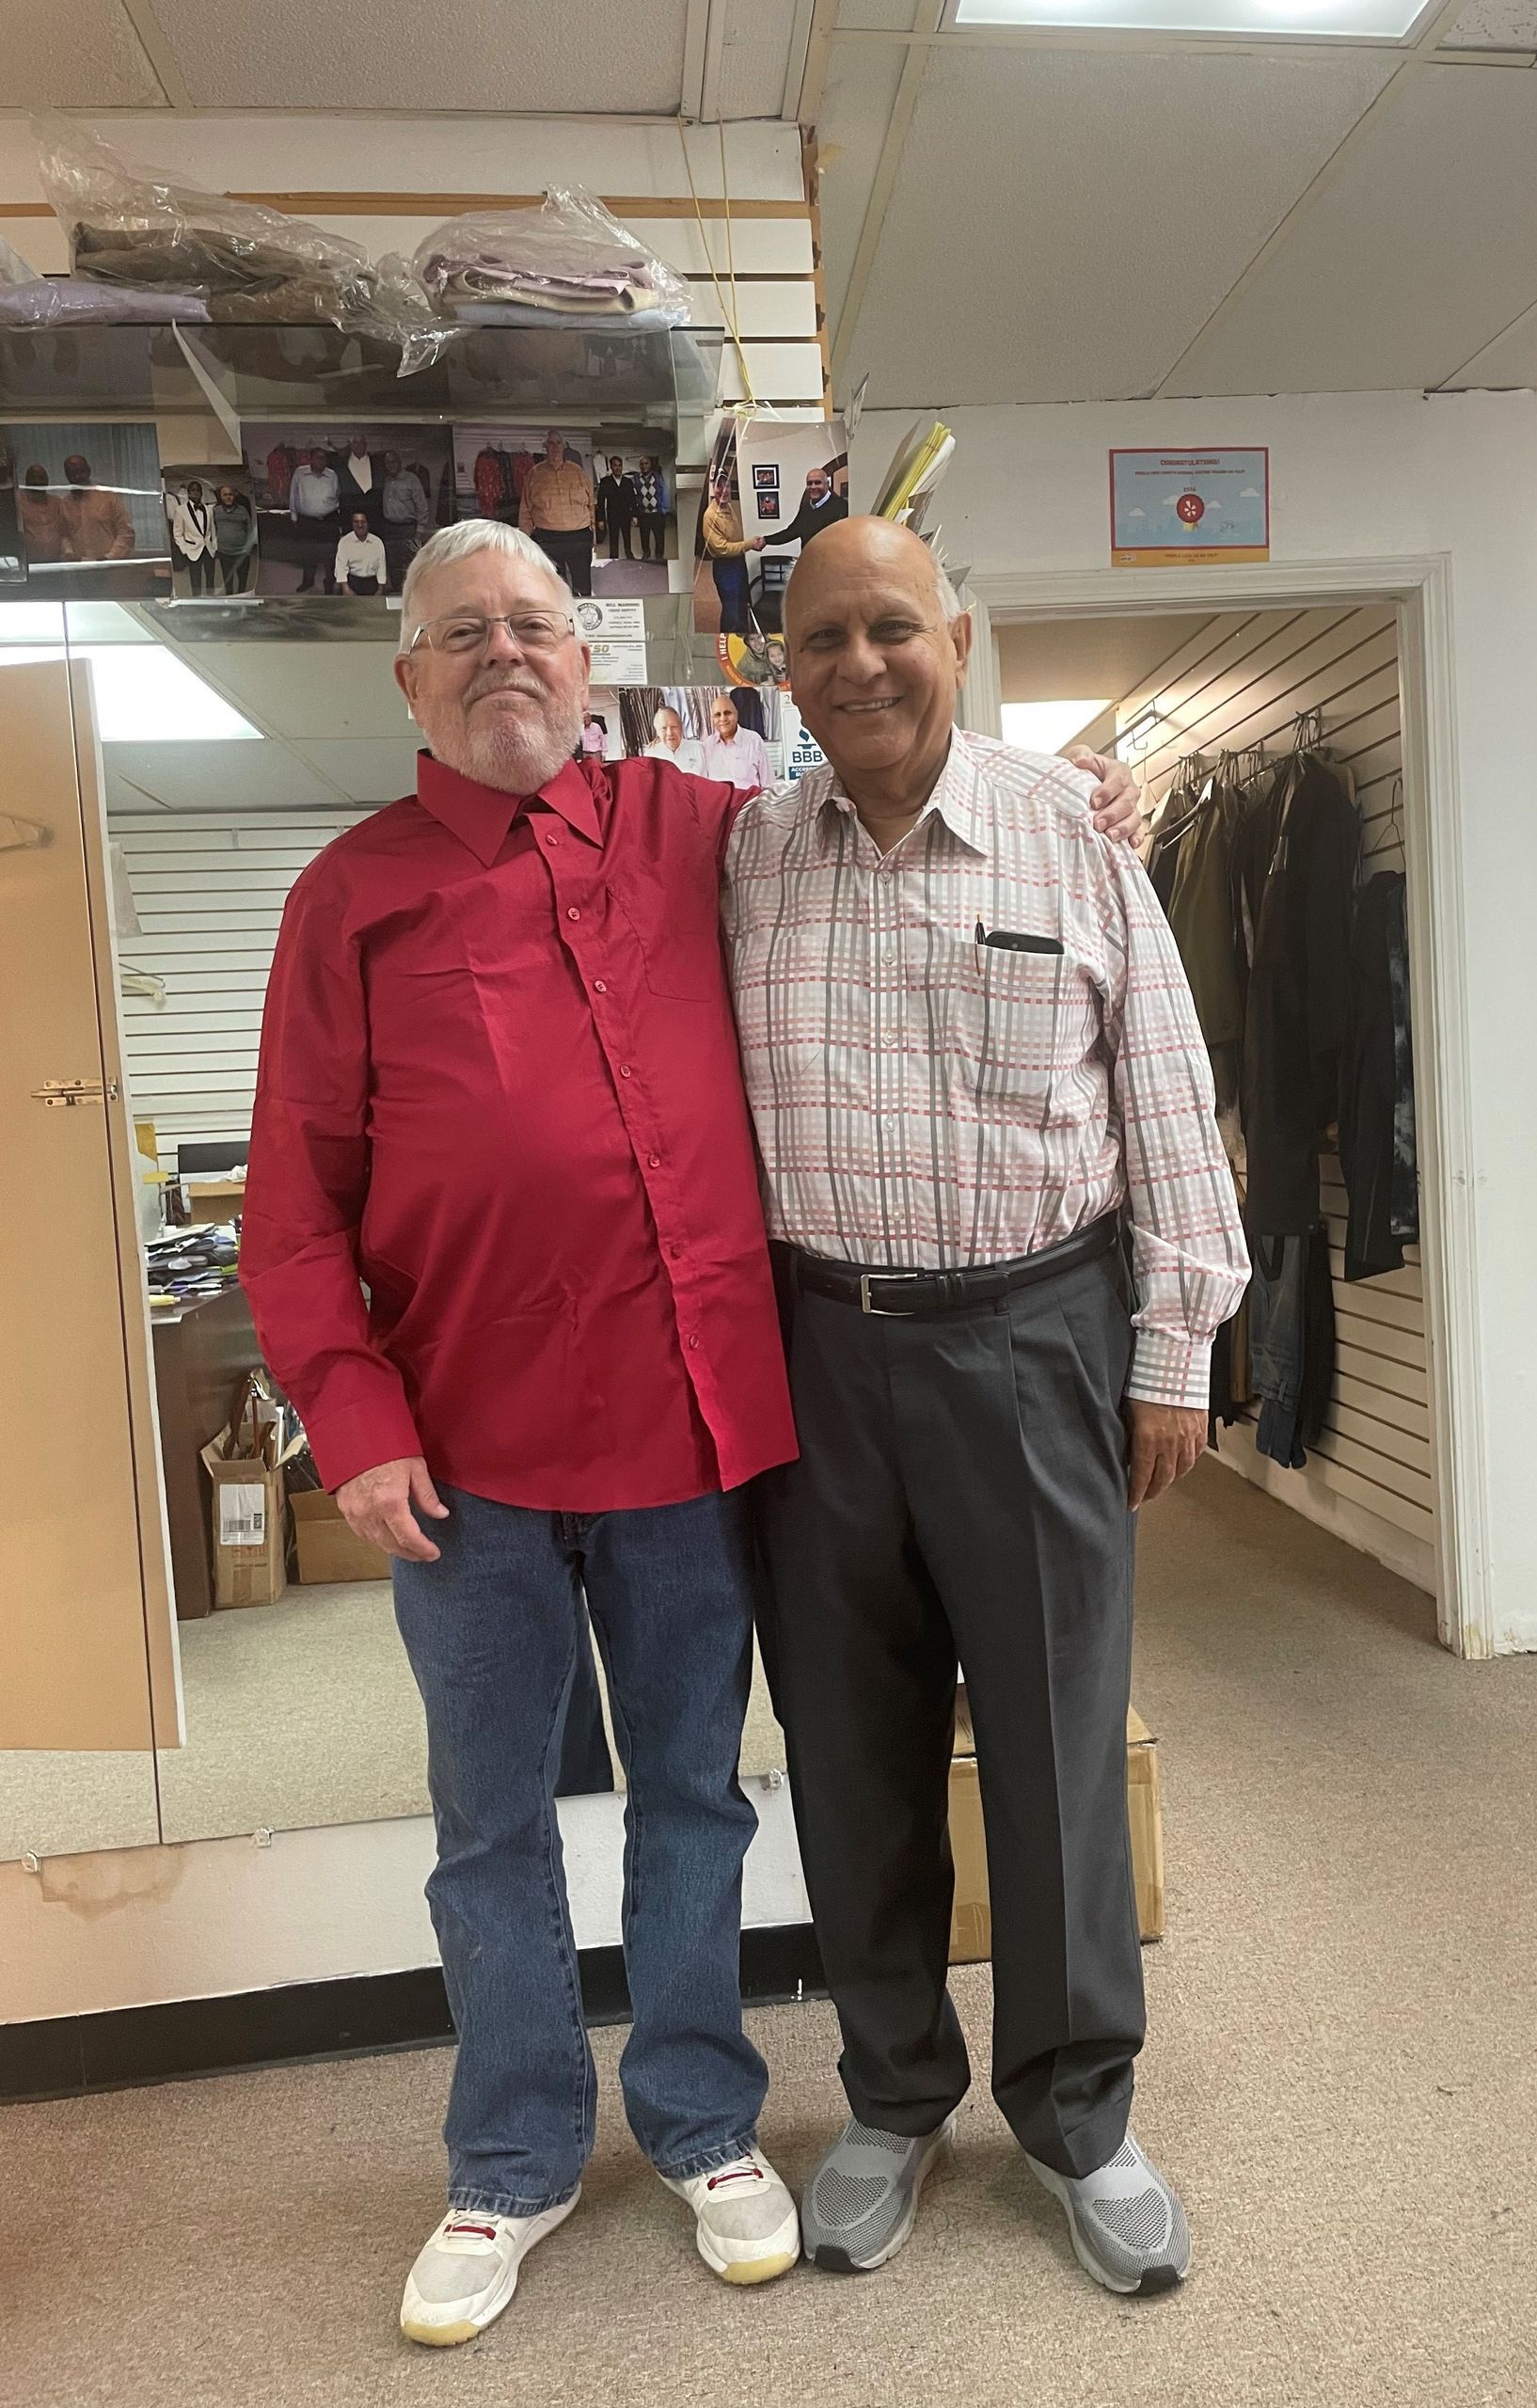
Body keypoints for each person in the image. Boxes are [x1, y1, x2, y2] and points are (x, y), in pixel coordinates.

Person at [239, 517, 1140, 2347]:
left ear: (591, 659)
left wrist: (1063, 791)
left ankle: (708, 2120)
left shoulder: (700, 829)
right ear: (407, 677)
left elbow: (889, 793)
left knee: (696, 1801)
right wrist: (349, 1415)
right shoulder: (350, 896)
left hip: (689, 1433)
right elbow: (293, 1203)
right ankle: (509, 2157)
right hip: (461, 1462)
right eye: (463, 632)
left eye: (538, 626)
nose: (508, 654)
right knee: (490, 1823)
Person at [726, 516, 1249, 2300]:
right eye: (821, 640)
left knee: (1050, 1751)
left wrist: (1174, 1349)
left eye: (892, 629)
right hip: (816, 1359)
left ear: (959, 632)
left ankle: (1083, 2111)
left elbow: (1170, 1099)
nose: (859, 665)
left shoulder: (1073, 836)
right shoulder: (741, 858)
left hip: (1035, 1340)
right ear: (778, 666)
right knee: (855, 1756)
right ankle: (890, 2100)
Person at [515, 432, 596, 597]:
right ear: (545, 447)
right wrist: (525, 540)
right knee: (552, 586)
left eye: (558, 443)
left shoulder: (577, 472)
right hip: (547, 538)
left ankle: (583, 619)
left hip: (578, 536)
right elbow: (525, 509)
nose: (554, 447)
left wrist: (593, 533)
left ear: (564, 446)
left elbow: (591, 505)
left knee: (582, 585)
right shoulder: (534, 474)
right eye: (550, 444)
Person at [701, 476, 761, 637]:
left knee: (742, 606)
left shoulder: (729, 507)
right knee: (731, 612)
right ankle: (727, 645)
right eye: (719, 487)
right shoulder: (710, 516)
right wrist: (749, 544)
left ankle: (743, 644)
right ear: (714, 490)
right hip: (725, 567)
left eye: (727, 486)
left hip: (738, 562)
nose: (724, 490)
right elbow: (722, 549)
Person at [59, 455, 135, 562]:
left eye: (80, 471)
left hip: (110, 568)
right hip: (78, 569)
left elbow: (126, 532)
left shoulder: (108, 497)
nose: (77, 476)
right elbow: (63, 535)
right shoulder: (64, 504)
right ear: (66, 475)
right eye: (71, 473)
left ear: (88, 470)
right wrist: (69, 553)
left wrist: (110, 557)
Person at [290, 445, 341, 594]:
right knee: (309, 553)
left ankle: (329, 583)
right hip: (307, 521)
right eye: (318, 457)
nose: (321, 460)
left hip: (329, 520)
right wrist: (294, 517)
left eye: (324, 458)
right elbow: (293, 495)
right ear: (311, 458)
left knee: (330, 555)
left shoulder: (332, 475)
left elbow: (337, 495)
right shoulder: (300, 473)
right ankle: (308, 581)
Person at [764, 463, 848, 553]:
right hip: (808, 563)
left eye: (818, 483)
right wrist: (765, 540)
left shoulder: (841, 506)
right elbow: (791, 532)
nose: (813, 487)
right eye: (809, 483)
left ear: (827, 484)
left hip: (831, 563)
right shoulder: (806, 508)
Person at [378, 449, 431, 590]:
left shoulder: (411, 479)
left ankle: (410, 595)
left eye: (393, 461)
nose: (391, 465)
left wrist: (419, 532)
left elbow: (422, 506)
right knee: (393, 563)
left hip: (408, 528)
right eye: (387, 463)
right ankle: (396, 591)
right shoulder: (386, 481)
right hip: (390, 528)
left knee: (410, 564)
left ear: (400, 462)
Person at [701, 691, 767, 789]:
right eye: (717, 715)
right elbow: (704, 786)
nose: (723, 718)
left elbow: (768, 783)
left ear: (736, 715)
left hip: (750, 804)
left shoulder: (754, 741)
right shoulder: (707, 746)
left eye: (727, 713)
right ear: (712, 720)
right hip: (720, 804)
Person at [166, 479, 216, 594]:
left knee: (211, 579)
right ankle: (197, 603)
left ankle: (212, 601)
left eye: (198, 490)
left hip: (208, 549)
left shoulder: (208, 510)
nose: (196, 493)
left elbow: (213, 530)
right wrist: (185, 550)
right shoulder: (180, 510)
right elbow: (177, 533)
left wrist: (214, 546)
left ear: (202, 493)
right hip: (192, 550)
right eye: (193, 490)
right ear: (188, 493)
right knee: (195, 580)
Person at [212, 480, 257, 594]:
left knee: (242, 583)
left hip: (242, 554)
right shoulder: (215, 511)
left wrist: (247, 550)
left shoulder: (243, 510)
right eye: (225, 495)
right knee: (228, 583)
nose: (228, 497)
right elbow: (212, 530)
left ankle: (242, 605)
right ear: (221, 497)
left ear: (234, 495)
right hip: (224, 553)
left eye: (230, 494)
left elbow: (251, 530)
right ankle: (231, 606)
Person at [642, 701, 705, 775]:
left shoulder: (698, 749)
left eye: (674, 727)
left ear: (681, 727)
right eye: (664, 728)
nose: (670, 733)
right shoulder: (650, 755)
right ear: (657, 732)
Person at [18, 463, 65, 562]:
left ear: (47, 480)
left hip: (57, 562)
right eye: (33, 478)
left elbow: (65, 531)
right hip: (29, 563)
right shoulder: (17, 502)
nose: (38, 482)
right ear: (27, 481)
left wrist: (68, 553)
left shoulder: (57, 502)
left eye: (41, 478)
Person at [334, 510, 388, 595]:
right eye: (356, 522)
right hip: (353, 582)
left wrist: (380, 589)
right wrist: (346, 589)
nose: (360, 525)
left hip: (372, 583)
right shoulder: (345, 542)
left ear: (368, 523)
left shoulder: (377, 542)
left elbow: (381, 567)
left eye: (363, 522)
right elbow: (341, 568)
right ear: (352, 524)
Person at [596, 454, 637, 562]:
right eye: (615, 465)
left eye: (620, 465)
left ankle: (629, 554)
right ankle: (613, 557)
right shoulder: (605, 482)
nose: (618, 468)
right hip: (612, 515)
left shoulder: (628, 482)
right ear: (611, 467)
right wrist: (600, 519)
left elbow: (632, 500)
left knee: (627, 537)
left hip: (626, 515)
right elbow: (600, 502)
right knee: (613, 538)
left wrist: (634, 516)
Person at [335, 432, 381, 518]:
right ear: (351, 445)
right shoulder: (340, 464)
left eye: (361, 442)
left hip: (373, 512)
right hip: (349, 512)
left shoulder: (378, 463)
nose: (358, 445)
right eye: (355, 442)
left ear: (366, 444)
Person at [631, 455, 667, 563]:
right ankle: (646, 554)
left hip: (657, 512)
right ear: (639, 466)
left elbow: (664, 492)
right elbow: (633, 496)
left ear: (650, 464)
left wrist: (665, 509)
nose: (644, 466)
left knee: (659, 536)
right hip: (643, 513)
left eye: (646, 463)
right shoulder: (635, 478)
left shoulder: (658, 477)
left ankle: (659, 555)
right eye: (642, 464)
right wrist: (634, 513)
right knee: (644, 536)